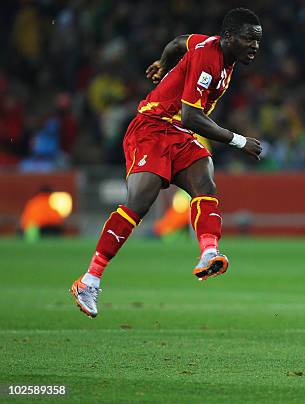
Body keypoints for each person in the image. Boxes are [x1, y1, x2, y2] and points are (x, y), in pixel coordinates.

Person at [70, 8, 263, 318]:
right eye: (248, 39)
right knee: (140, 203)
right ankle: (89, 280)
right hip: (152, 126)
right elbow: (191, 116)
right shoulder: (209, 60)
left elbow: (177, 42)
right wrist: (239, 141)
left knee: (205, 184)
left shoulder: (215, 50)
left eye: (258, 41)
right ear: (229, 38)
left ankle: (208, 253)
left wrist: (163, 62)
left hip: (180, 134)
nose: (254, 46)